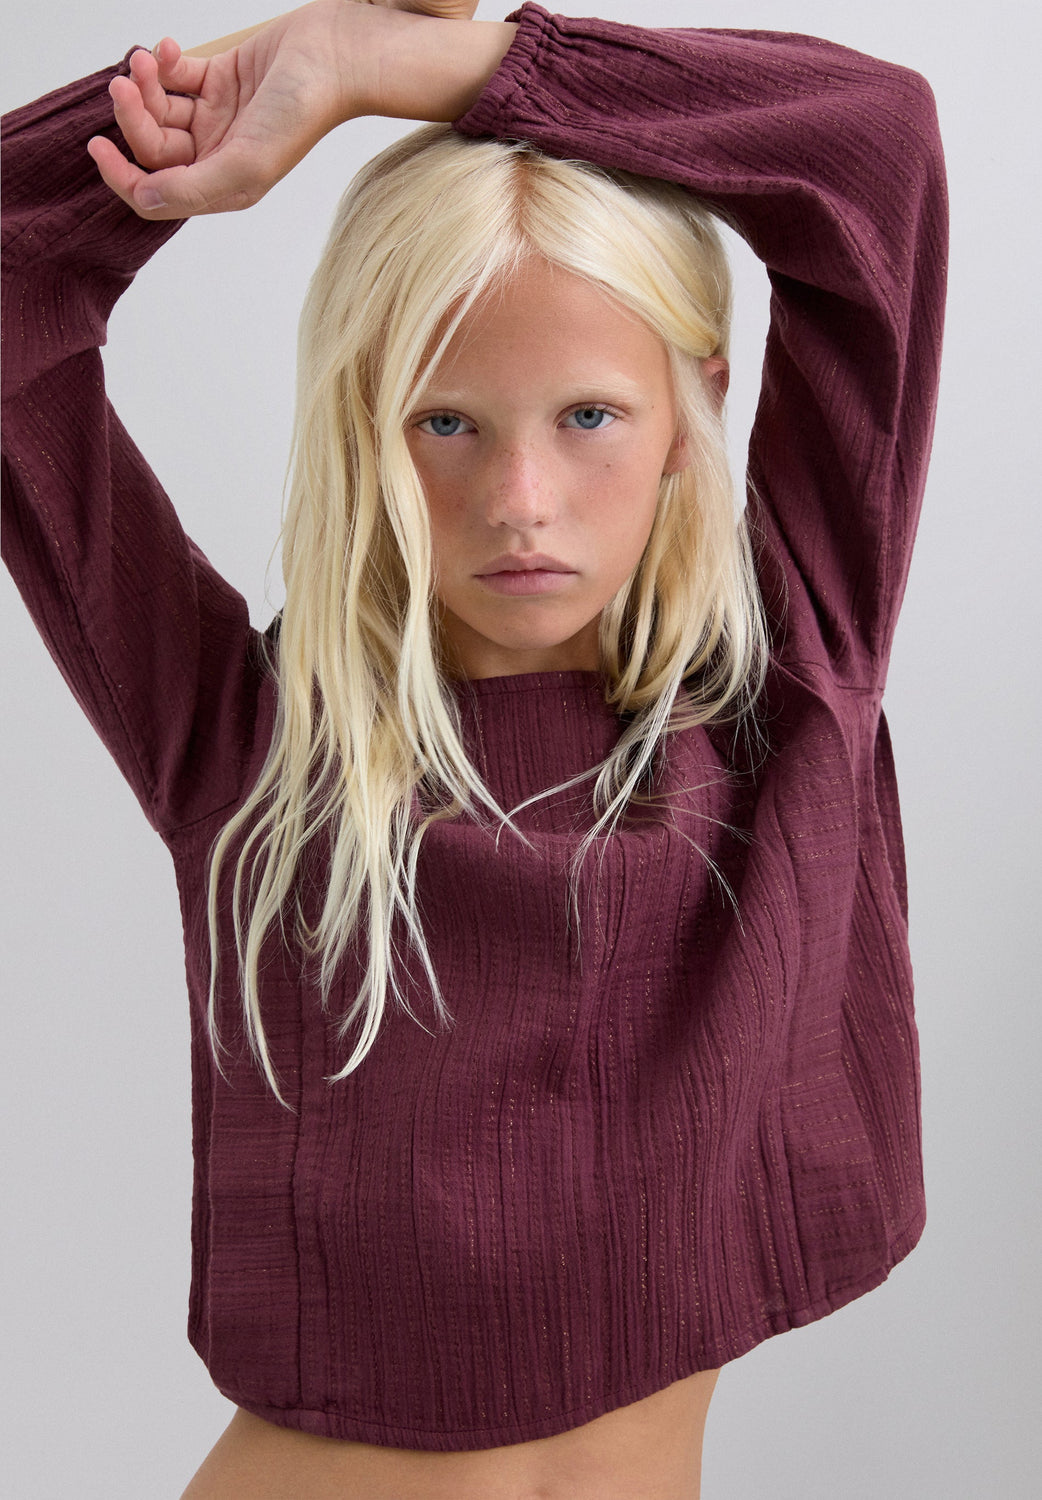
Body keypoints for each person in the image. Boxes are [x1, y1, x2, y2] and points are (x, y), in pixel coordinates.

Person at [1, 2, 947, 1496]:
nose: (520, 498)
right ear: (363, 425)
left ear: (696, 407)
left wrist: (402, 66)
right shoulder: (254, 746)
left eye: (589, 415)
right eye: (444, 422)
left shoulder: (787, 696)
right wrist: (231, 101)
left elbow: (873, 150)